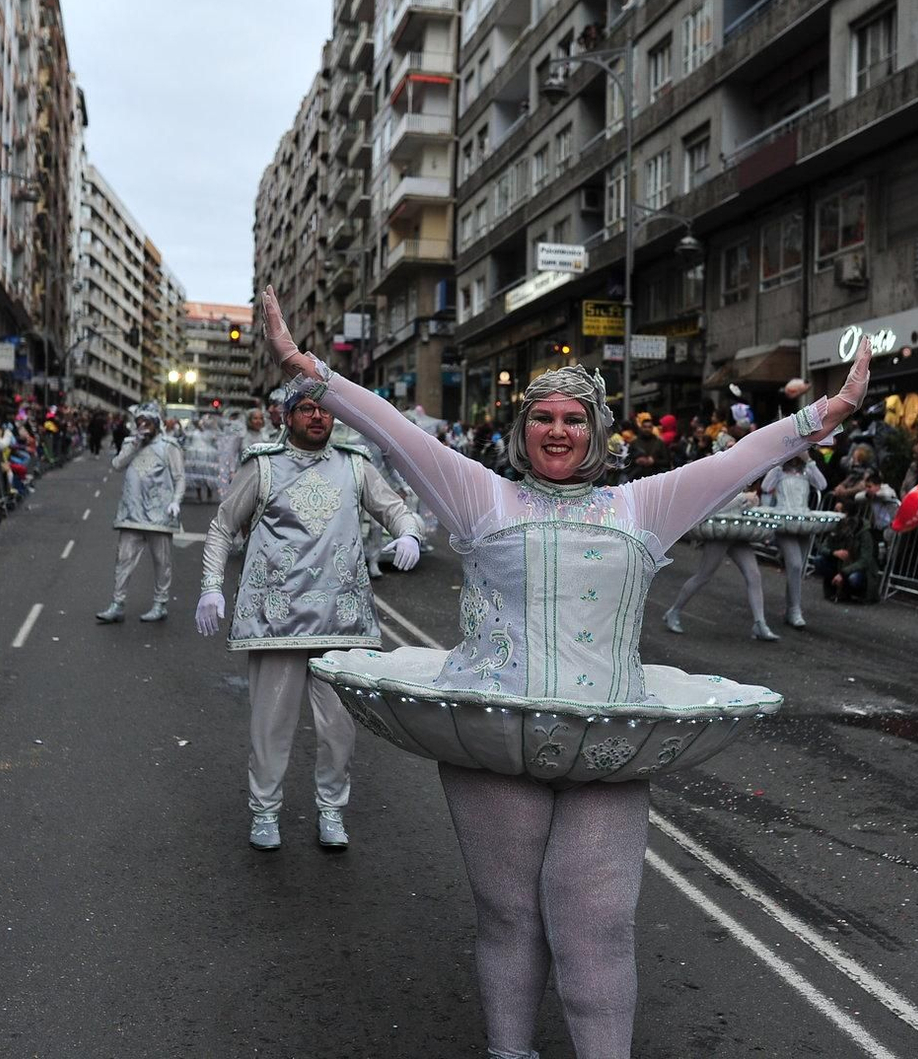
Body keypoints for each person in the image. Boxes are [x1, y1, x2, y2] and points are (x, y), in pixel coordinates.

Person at [257, 286, 870, 1059]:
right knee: (510, 917)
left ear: (598, 431)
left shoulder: (643, 506)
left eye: (574, 417)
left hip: (609, 746)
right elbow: (396, 431)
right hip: (492, 740)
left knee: (598, 928)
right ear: (523, 428)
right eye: (543, 416)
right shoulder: (480, 494)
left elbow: (741, 459)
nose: (557, 428)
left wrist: (825, 414)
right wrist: (310, 372)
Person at [194, 385, 423, 851]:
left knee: (339, 729)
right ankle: (264, 811)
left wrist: (409, 534)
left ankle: (332, 810)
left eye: (325, 409)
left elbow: (396, 509)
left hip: (341, 619)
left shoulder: (355, 466)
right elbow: (222, 527)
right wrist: (210, 588)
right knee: (270, 726)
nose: (318, 417)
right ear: (288, 416)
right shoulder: (263, 466)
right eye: (307, 409)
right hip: (274, 622)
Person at [96, 404, 184, 624]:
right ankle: (117, 604)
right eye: (139, 422)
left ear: (156, 424)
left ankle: (160, 603)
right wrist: (134, 443)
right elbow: (117, 465)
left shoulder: (169, 446)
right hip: (131, 514)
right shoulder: (130, 443)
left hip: (159, 516)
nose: (143, 426)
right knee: (123, 560)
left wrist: (175, 501)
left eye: (147, 422)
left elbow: (180, 476)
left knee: (161, 561)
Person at [660, 487, 780, 642]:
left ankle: (760, 623)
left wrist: (749, 503)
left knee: (754, 575)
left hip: (738, 531)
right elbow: (716, 504)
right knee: (703, 575)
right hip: (720, 531)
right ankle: (674, 611)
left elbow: (737, 504)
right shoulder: (723, 473)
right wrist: (744, 498)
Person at [762, 453, 830, 628]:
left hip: (803, 522)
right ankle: (795, 610)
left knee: (797, 569)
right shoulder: (779, 472)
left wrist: (808, 459)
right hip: (784, 522)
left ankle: (790, 609)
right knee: (795, 565)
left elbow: (822, 484)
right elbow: (765, 486)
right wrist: (780, 459)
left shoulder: (807, 471)